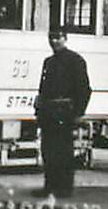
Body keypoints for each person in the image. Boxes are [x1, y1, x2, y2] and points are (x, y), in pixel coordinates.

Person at [35, 25, 91, 195]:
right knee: (48, 151)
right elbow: (43, 90)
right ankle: (50, 187)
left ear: (65, 39)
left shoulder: (76, 61)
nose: (54, 41)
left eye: (58, 38)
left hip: (65, 112)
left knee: (64, 151)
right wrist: (39, 109)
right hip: (49, 113)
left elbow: (84, 89)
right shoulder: (49, 62)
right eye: (51, 38)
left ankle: (65, 188)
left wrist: (77, 113)